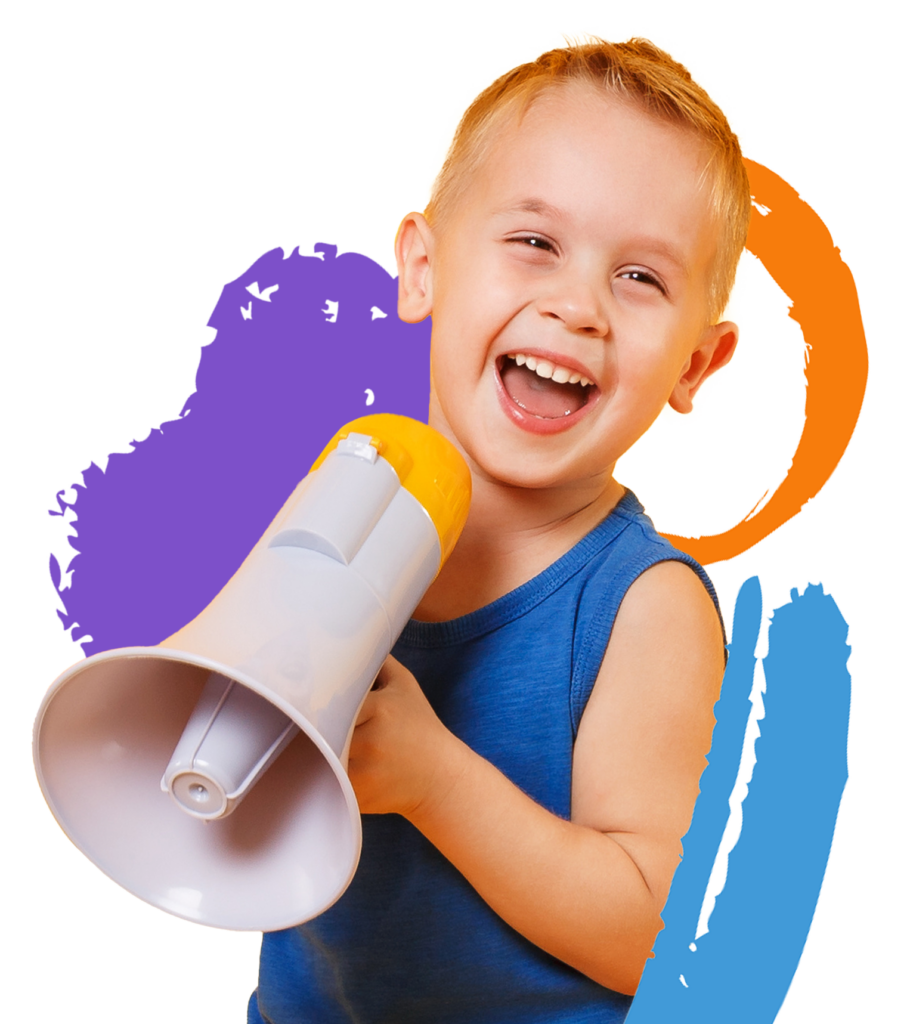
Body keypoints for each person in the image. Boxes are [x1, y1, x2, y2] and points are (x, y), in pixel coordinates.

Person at [248, 29, 750, 1023]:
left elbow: (656, 940)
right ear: (423, 268)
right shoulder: (340, 500)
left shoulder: (647, 608)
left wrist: (434, 780)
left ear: (696, 365)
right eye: (535, 243)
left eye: (639, 277)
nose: (577, 307)